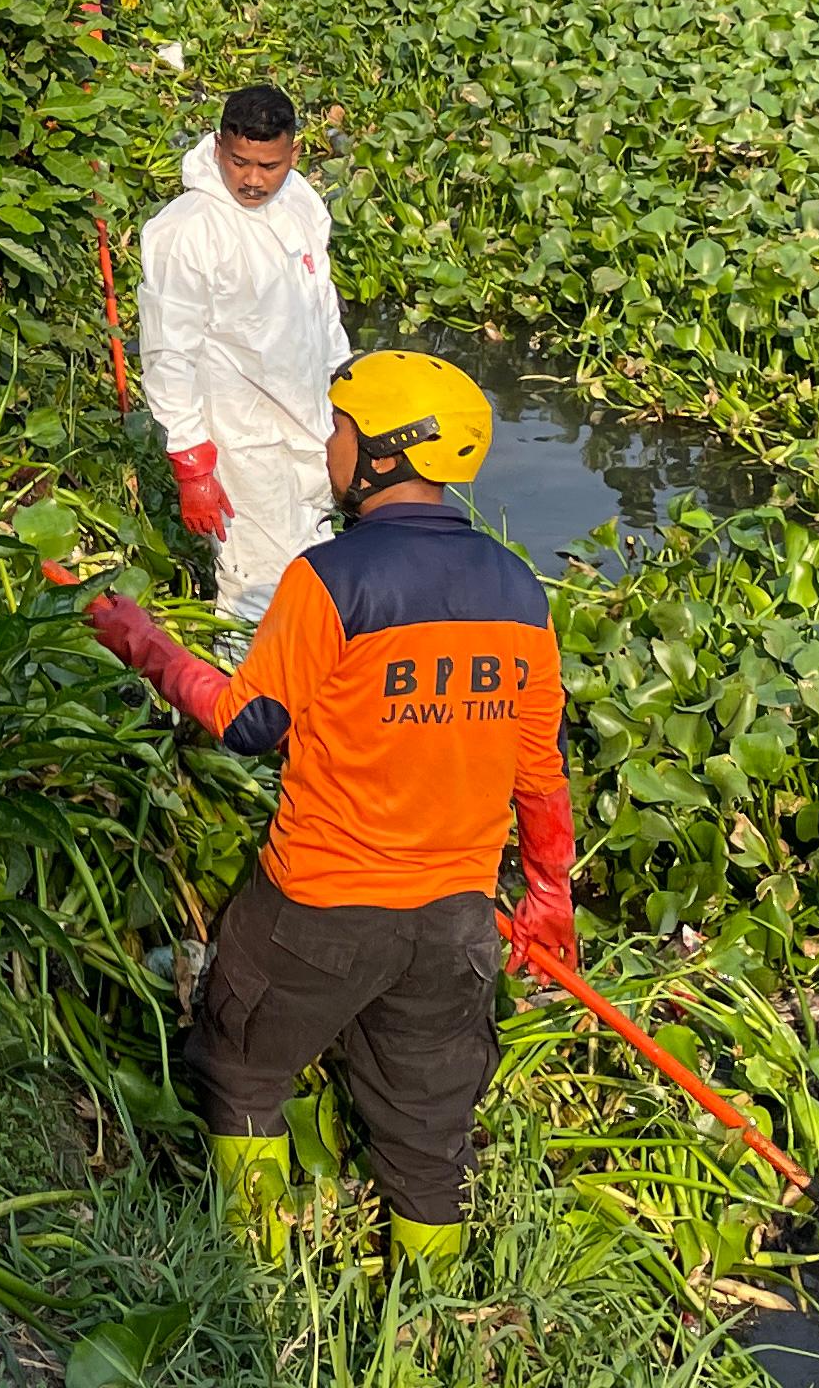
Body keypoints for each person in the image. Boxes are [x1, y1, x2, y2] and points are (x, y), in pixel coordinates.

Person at [80, 351, 575, 1276]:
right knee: (428, 1131)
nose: (329, 444)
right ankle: (430, 1318)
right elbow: (539, 776)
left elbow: (248, 723)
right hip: (457, 920)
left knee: (242, 1067)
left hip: (316, 907)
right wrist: (548, 895)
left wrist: (141, 641)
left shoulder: (331, 580)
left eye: (342, 428)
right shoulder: (521, 594)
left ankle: (260, 1285)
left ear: (385, 452)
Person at [138, 79, 349, 621]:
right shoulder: (188, 230)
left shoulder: (300, 204)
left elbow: (323, 312)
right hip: (240, 445)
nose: (253, 181)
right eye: (239, 163)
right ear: (217, 146)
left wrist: (346, 403)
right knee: (254, 587)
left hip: (311, 425)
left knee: (317, 572)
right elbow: (168, 354)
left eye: (269, 166)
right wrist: (191, 465)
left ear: (294, 154)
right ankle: (241, 697)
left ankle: (299, 697)